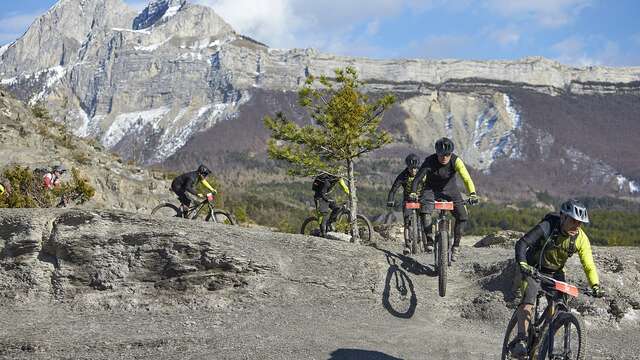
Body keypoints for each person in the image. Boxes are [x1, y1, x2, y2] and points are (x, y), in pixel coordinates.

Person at [510, 199, 605, 357]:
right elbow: (522, 243)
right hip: (533, 268)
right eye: (573, 221)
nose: (577, 226)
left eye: (580, 223)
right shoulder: (548, 225)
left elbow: (589, 264)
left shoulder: (581, 238)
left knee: (561, 305)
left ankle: (546, 338)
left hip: (555, 273)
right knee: (529, 298)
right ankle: (521, 339)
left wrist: (595, 285)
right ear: (563, 217)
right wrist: (522, 263)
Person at [409, 137, 478, 261]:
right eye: (441, 155)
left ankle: (455, 247)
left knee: (462, 216)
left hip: (451, 190)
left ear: (451, 153)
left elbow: (466, 178)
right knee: (425, 210)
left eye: (447, 155)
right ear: (437, 153)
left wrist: (472, 193)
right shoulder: (429, 161)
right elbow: (417, 179)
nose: (444, 157)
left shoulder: (456, 161)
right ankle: (429, 240)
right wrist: (413, 192)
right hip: (431, 189)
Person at [386, 153, 425, 255]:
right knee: (407, 222)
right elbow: (394, 189)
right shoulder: (403, 175)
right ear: (407, 167)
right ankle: (407, 245)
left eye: (415, 168)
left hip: (421, 199)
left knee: (425, 217)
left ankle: (426, 240)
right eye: (411, 168)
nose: (413, 171)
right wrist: (390, 200)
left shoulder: (423, 173)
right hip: (408, 200)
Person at [312, 172, 350, 237]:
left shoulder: (338, 179)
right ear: (335, 176)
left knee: (337, 208)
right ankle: (322, 232)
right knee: (323, 214)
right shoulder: (327, 182)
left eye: (341, 177)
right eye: (339, 177)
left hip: (327, 196)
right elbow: (322, 193)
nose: (340, 179)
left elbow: (345, 188)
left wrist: (351, 195)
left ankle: (329, 223)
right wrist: (327, 200)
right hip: (319, 197)